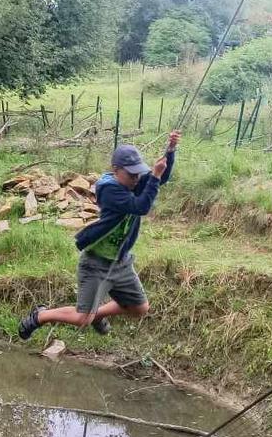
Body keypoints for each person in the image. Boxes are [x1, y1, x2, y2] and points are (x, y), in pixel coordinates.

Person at [18, 131, 180, 341]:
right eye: (132, 174)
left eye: (139, 173)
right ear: (116, 170)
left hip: (121, 262)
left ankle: (96, 315)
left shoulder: (131, 182)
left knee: (139, 308)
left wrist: (170, 150)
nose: (137, 178)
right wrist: (154, 176)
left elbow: (161, 177)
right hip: (96, 263)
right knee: (82, 318)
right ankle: (41, 315)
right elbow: (141, 206)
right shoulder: (110, 190)